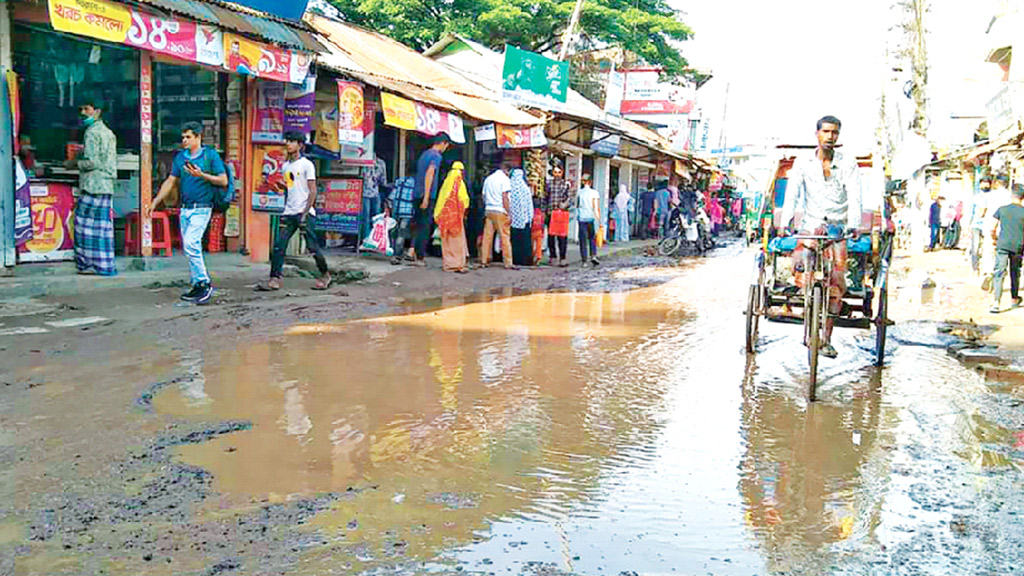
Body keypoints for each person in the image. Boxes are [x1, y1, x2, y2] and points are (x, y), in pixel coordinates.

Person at [780, 115, 862, 359]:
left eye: (834, 132)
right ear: (817, 134)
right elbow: (792, 194)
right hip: (810, 229)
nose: (830, 136)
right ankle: (807, 315)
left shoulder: (848, 163)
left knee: (837, 283)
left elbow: (855, 195)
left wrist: (855, 224)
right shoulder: (803, 164)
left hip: (838, 229)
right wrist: (786, 223)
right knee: (800, 270)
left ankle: (826, 337)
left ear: (838, 136)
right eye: (826, 132)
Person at [150, 121, 228, 305]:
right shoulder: (180, 158)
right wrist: (156, 201)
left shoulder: (210, 156)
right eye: (183, 137)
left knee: (192, 244)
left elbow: (223, 180)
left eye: (188, 137)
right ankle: (196, 284)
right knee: (190, 248)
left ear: (198, 137)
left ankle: (203, 283)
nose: (184, 140)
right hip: (185, 209)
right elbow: (170, 181)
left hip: (202, 207)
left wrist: (202, 176)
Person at [255, 132, 331, 291]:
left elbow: (312, 191)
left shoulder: (307, 165)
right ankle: (274, 279)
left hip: (304, 212)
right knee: (278, 246)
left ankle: (325, 274)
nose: (288, 144)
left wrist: (304, 213)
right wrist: (277, 186)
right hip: (289, 212)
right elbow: (291, 187)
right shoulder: (285, 166)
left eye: (292, 141)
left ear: (300, 145)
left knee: (312, 246)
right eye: (287, 141)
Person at [68, 99, 118, 276]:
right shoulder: (108, 132)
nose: (83, 112)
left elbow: (91, 161)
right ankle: (105, 265)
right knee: (103, 228)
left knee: (83, 225)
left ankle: (87, 264)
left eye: (86, 109)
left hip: (93, 184)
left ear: (97, 111)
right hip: (106, 184)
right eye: (81, 108)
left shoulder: (91, 133)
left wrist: (73, 163)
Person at [411, 134, 452, 267]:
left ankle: (412, 252)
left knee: (417, 224)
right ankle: (420, 257)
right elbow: (430, 174)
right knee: (425, 226)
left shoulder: (424, 154)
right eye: (446, 145)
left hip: (416, 193)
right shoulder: (436, 156)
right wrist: (427, 197)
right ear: (443, 143)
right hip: (425, 195)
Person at [989, 185, 1024, 313]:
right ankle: (1014, 300)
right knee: (1015, 273)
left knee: (999, 272)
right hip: (1018, 246)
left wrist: (994, 239)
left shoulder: (1002, 209)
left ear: (1011, 195)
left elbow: (992, 227)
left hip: (1002, 245)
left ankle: (996, 303)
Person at [434, 161, 470, 273]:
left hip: (444, 217)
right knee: (457, 241)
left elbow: (441, 199)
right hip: (456, 218)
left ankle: (448, 264)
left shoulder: (446, 183)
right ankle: (458, 265)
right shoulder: (459, 182)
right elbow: (464, 199)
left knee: (446, 241)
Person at [480, 161, 515, 269]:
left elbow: (483, 196)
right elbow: (505, 197)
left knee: (487, 237)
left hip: (489, 210)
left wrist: (488, 205)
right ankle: (508, 262)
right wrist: (508, 212)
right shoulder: (505, 180)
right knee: (504, 236)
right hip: (500, 210)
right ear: (507, 171)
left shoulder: (488, 179)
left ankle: (484, 260)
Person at [544, 163, 573, 266]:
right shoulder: (548, 184)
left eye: (559, 172)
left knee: (562, 237)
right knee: (551, 236)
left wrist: (563, 205)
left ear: (562, 173)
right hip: (550, 213)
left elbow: (570, 199)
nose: (557, 174)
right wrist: (545, 211)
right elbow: (545, 198)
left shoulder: (566, 184)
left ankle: (563, 258)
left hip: (561, 213)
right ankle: (552, 257)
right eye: (555, 172)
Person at [389, 169, 416, 265]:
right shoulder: (415, 183)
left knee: (395, 232)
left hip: (396, 210)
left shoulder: (399, 181)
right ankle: (397, 256)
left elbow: (392, 196)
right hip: (408, 212)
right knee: (402, 234)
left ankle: (393, 253)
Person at [508, 168, 535, 266]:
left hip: (513, 219)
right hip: (525, 219)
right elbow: (529, 204)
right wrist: (530, 216)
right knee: (525, 241)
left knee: (514, 240)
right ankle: (526, 260)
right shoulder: (525, 188)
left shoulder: (509, 186)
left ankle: (515, 259)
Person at [361, 154, 387, 241]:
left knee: (376, 218)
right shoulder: (362, 160)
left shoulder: (380, 163)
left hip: (374, 192)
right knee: (366, 218)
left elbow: (383, 180)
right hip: (364, 193)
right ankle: (366, 239)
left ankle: (375, 240)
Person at [577, 173, 601, 266]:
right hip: (591, 217)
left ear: (583, 182)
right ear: (591, 182)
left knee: (583, 240)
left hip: (582, 218)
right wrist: (599, 220)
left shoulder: (580, 192)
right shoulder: (595, 193)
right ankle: (593, 255)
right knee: (592, 238)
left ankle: (584, 261)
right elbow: (596, 207)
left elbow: (577, 205)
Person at [970, 180, 992, 273]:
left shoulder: (993, 196)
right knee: (975, 246)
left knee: (988, 248)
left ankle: (986, 268)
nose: (985, 185)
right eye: (983, 183)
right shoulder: (976, 197)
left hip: (989, 225)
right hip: (976, 225)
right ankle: (975, 267)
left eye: (987, 183)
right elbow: (972, 211)